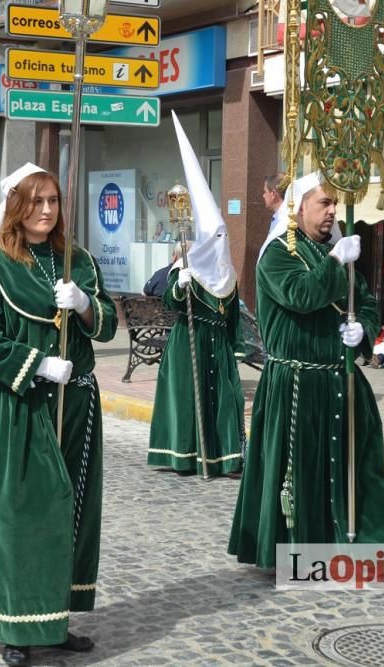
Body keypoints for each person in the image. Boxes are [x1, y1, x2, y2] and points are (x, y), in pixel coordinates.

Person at [0, 163, 117, 666]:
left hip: (77, 406)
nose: (47, 211)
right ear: (17, 207)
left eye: (53, 201)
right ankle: (15, 624)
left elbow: (109, 324)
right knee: (22, 518)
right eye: (37, 201)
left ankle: (56, 618)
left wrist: (86, 304)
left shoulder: (79, 261)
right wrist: (35, 364)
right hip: (21, 407)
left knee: (69, 515)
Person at [228, 172, 384, 567]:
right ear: (299, 207)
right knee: (300, 473)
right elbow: (301, 295)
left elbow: (365, 302)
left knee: (358, 467)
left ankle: (365, 544)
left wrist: (362, 328)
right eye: (324, 203)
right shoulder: (278, 253)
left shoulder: (340, 253)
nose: (332, 211)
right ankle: (298, 551)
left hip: (340, 379)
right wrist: (334, 261)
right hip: (295, 383)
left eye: (335, 204)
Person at [147, 112, 244, 478]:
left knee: (223, 400)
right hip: (190, 341)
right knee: (189, 398)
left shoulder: (228, 275)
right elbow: (171, 302)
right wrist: (179, 283)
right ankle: (183, 455)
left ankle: (225, 457)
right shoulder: (187, 266)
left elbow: (232, 313)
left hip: (217, 344)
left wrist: (233, 344)